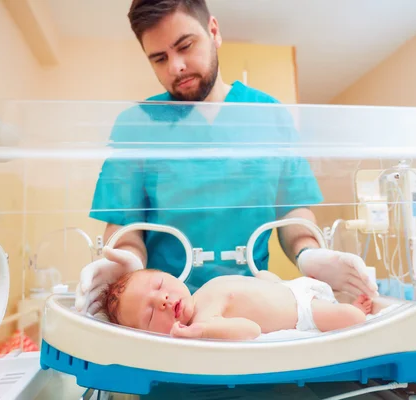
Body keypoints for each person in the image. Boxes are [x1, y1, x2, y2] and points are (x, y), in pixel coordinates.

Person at [75, 0, 378, 317]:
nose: (176, 66)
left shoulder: (267, 115)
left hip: (256, 306)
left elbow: (293, 210)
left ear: (214, 31)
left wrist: (310, 253)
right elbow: (125, 225)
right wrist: (124, 260)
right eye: (160, 58)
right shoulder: (138, 124)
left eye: (185, 46)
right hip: (166, 315)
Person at [102, 247, 373, 340]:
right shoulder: (204, 321)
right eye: (149, 313)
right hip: (301, 310)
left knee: (264, 277)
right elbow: (251, 329)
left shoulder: (200, 294)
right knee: (349, 316)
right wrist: (205, 332)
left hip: (285, 286)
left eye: (160, 285)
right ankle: (358, 311)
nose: (161, 300)